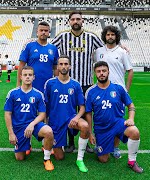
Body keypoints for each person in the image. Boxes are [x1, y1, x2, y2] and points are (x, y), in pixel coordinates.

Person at [50, 11, 103, 153]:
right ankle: (71, 143)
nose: (75, 21)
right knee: (69, 112)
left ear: (82, 20)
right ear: (69, 21)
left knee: (87, 113)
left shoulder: (91, 37)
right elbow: (49, 48)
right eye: (73, 19)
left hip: (86, 83)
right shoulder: (62, 36)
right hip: (67, 83)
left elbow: (105, 49)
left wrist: (120, 45)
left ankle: (86, 142)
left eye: (78, 19)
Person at [85, 61, 143, 174]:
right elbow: (88, 113)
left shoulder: (118, 88)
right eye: (98, 71)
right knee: (103, 159)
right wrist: (90, 133)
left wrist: (131, 119)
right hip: (102, 129)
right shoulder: (90, 92)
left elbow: (131, 105)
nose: (101, 73)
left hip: (118, 123)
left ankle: (132, 162)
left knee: (134, 131)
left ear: (108, 72)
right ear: (95, 73)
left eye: (104, 71)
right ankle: (103, 145)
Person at [44, 55, 89, 172]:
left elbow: (82, 107)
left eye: (65, 64)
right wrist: (46, 124)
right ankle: (53, 146)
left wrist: (77, 117)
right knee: (60, 157)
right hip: (55, 121)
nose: (63, 66)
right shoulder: (50, 83)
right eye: (61, 64)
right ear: (57, 66)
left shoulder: (75, 84)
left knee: (84, 126)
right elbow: (45, 106)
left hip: (71, 118)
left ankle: (80, 159)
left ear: (70, 66)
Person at [4, 66, 55, 171]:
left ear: (33, 77)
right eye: (25, 75)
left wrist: (32, 124)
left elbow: (42, 114)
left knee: (48, 131)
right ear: (21, 77)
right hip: (19, 127)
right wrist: (11, 133)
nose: (27, 77)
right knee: (20, 158)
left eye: (30, 75)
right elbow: (8, 114)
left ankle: (47, 159)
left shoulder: (38, 94)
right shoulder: (12, 93)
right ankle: (27, 144)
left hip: (34, 124)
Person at [94, 25, 134, 158]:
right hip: (101, 89)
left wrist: (126, 90)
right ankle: (100, 142)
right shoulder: (98, 51)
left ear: (116, 36)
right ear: (104, 36)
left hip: (118, 92)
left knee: (117, 119)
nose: (110, 37)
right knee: (101, 117)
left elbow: (130, 70)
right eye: (108, 34)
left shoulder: (122, 52)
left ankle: (115, 147)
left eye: (112, 34)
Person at [17, 21, 59, 93]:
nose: (43, 32)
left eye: (46, 31)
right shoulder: (29, 46)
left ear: (49, 33)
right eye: (41, 30)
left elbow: (55, 68)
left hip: (48, 85)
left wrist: (56, 84)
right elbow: (21, 65)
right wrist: (18, 84)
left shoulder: (53, 48)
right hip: (31, 85)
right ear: (37, 32)